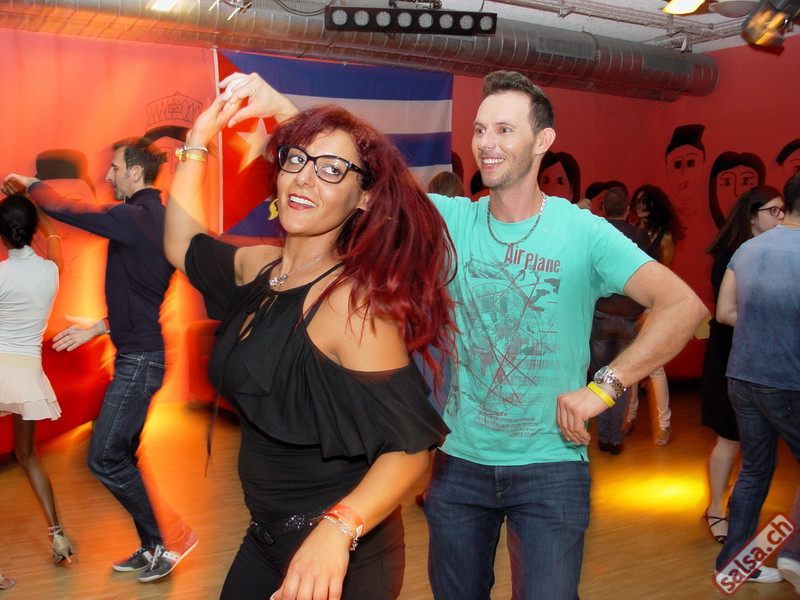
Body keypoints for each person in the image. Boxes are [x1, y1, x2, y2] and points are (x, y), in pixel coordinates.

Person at [214, 68, 706, 600]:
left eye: (504, 130)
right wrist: (279, 106)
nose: (487, 143)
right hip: (458, 464)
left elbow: (682, 305)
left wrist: (605, 387)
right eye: (479, 129)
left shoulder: (583, 231)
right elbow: (350, 171)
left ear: (543, 140)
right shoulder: (448, 220)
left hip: (550, 466)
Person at [164, 87, 454, 600]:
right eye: (296, 159)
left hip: (341, 554)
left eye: (332, 170)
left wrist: (337, 530)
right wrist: (197, 142)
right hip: (265, 538)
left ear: (363, 197)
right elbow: (182, 244)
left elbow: (410, 450)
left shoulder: (350, 305)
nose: (304, 177)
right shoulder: (262, 269)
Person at [2, 139, 196, 583]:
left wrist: (32, 185)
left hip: (140, 362)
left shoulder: (138, 217)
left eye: (115, 168)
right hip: (139, 354)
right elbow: (143, 294)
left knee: (104, 458)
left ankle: (173, 536)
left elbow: (70, 210)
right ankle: (153, 544)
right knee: (123, 455)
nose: (108, 176)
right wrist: (101, 327)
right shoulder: (152, 220)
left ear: (135, 173)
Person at [713, 173, 800, 590]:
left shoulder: (748, 249)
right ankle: (794, 556)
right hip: (788, 380)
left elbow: (724, 312)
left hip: (743, 375)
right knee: (756, 471)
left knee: (754, 471)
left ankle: (732, 564)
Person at [701, 185, 784, 544]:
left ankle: (739, 509)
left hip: (761, 360)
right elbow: (726, 313)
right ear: (752, 217)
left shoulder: (774, 252)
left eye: (782, 210)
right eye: (773, 211)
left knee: (755, 445)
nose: (780, 217)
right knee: (729, 438)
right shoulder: (731, 255)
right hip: (730, 357)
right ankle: (716, 508)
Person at [0, 195, 72, 564]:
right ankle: (58, 537)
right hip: (27, 373)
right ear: (32, 232)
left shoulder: (1, 275)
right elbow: (54, 236)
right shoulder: (52, 271)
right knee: (27, 456)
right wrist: (34, 203)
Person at [589, 186, 649, 455]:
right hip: (629, 316)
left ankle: (603, 435)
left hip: (601, 313)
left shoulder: (597, 233)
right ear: (628, 210)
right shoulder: (640, 236)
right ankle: (615, 438)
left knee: (600, 378)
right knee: (619, 381)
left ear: (603, 209)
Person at [625, 184, 685, 445]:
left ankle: (664, 424)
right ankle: (630, 417)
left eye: (645, 201)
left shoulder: (665, 237)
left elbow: (666, 278)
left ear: (655, 205)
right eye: (637, 201)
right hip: (629, 303)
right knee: (629, 366)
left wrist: (652, 310)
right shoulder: (632, 231)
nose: (640, 206)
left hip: (652, 306)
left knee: (654, 368)